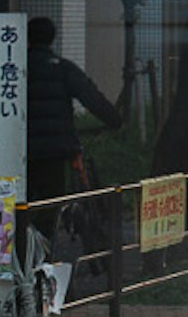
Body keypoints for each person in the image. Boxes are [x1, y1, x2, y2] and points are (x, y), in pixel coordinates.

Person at [24, 14, 122, 205]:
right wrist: (114, 120)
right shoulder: (63, 68)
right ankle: (48, 230)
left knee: (25, 200)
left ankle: (26, 231)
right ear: (52, 38)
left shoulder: (16, 68)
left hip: (23, 147)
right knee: (53, 198)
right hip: (58, 146)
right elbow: (91, 97)